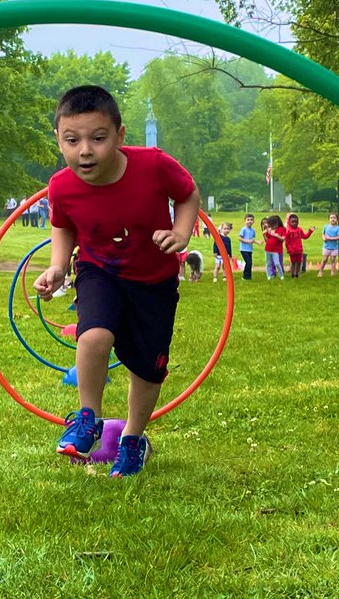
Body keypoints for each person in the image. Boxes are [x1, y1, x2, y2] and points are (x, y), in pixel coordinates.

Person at [35, 85, 200, 477]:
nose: (85, 151)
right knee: (93, 335)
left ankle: (132, 439)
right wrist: (58, 266)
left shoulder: (154, 165)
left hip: (154, 282)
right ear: (59, 140)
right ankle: (87, 417)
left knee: (147, 368)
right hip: (99, 271)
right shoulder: (61, 185)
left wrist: (181, 234)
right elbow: (62, 225)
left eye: (98, 138)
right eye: (72, 141)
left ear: (120, 135)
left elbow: (189, 194)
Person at [282, 213, 314, 278]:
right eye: (292, 222)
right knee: (293, 262)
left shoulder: (299, 229)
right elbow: (287, 242)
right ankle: (293, 274)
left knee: (299, 262)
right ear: (289, 222)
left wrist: (310, 231)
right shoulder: (288, 231)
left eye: (296, 222)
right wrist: (289, 249)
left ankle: (297, 273)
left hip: (299, 250)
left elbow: (305, 236)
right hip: (292, 250)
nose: (294, 223)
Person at [262, 214, 286, 279]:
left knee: (277, 263)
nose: (270, 227)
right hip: (268, 249)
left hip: (277, 250)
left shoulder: (282, 229)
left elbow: (283, 239)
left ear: (276, 223)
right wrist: (264, 235)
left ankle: (281, 274)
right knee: (268, 263)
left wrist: (276, 235)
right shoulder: (269, 230)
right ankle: (269, 275)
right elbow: (267, 240)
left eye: (271, 225)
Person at [318, 211, 339, 276]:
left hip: (334, 247)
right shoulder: (326, 226)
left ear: (337, 219)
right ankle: (321, 271)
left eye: (334, 218)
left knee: (333, 259)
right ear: (329, 219)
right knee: (324, 259)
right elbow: (323, 234)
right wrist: (324, 238)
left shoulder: (338, 228)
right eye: (331, 218)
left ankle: (333, 272)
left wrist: (330, 238)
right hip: (326, 246)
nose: (333, 219)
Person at [237, 213, 257, 280]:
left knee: (250, 263)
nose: (250, 221)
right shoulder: (243, 229)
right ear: (245, 221)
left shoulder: (253, 230)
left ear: (253, 221)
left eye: (251, 220)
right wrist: (247, 241)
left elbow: (252, 239)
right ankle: (245, 276)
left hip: (250, 249)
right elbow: (240, 238)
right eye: (248, 220)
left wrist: (257, 242)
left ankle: (249, 276)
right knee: (248, 262)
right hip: (243, 249)